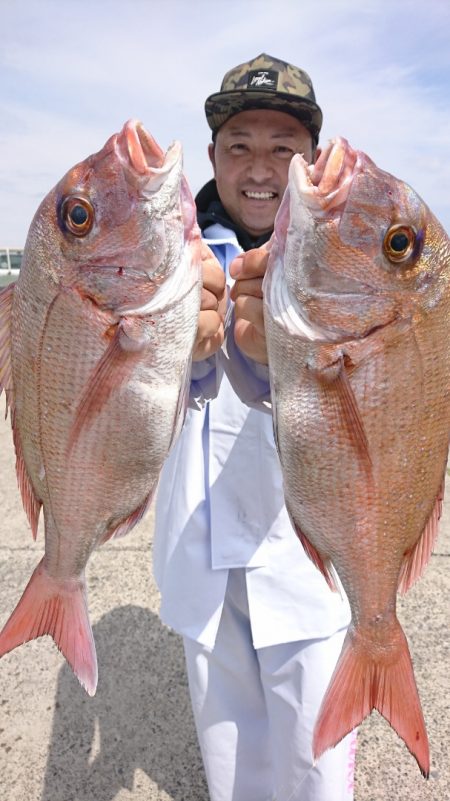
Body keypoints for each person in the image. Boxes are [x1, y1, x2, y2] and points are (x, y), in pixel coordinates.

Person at [153, 54, 357, 801]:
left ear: (313, 159)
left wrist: (293, 361)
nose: (260, 167)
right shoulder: (167, 256)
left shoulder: (351, 261)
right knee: (233, 770)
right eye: (239, 145)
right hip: (199, 558)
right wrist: (185, 354)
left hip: (310, 563)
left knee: (316, 770)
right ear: (212, 157)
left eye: (283, 146)